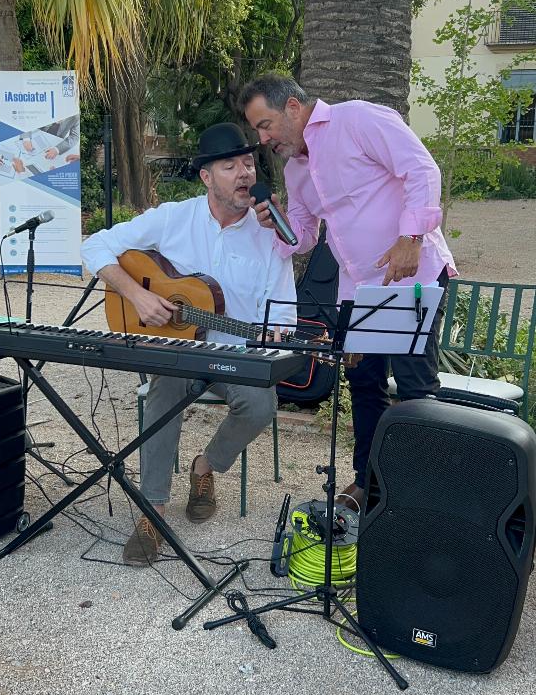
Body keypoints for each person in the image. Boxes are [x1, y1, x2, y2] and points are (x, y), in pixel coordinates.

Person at [81, 122, 297, 564]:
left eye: (248, 163)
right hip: (178, 350)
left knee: (260, 404)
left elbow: (284, 316)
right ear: (206, 177)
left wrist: (276, 335)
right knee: (164, 388)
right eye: (230, 166)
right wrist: (137, 295)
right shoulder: (173, 218)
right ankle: (153, 510)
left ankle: (204, 466)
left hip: (235, 353)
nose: (244, 173)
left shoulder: (269, 237)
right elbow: (95, 246)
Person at [239, 73, 457, 508]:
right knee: (364, 385)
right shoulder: (296, 169)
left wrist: (411, 238)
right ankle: (368, 483)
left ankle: (420, 499)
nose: (262, 139)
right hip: (357, 289)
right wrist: (277, 223)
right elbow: (304, 237)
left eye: (265, 125)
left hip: (408, 277)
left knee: (415, 389)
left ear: (293, 108)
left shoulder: (357, 119)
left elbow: (421, 169)